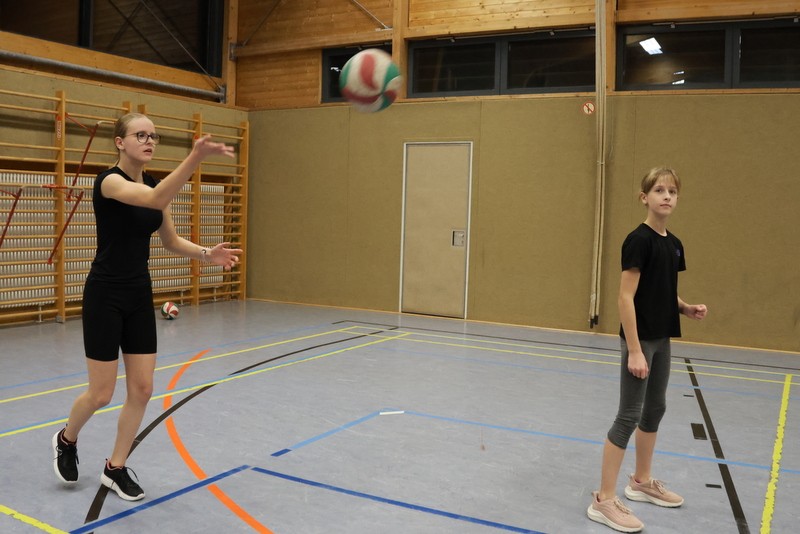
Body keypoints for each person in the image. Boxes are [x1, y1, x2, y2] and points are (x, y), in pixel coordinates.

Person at [52, 112, 242, 501]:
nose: (149, 141)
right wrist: (195, 157)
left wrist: (207, 253)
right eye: (140, 135)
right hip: (104, 294)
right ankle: (66, 438)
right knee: (101, 393)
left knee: (142, 388)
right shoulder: (109, 182)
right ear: (120, 142)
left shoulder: (154, 183)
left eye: (153, 136)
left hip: (138, 294)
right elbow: (154, 200)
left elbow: (170, 240)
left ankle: (115, 467)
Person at [587, 167, 707, 532]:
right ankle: (604, 499)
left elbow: (663, 289)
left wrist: (684, 308)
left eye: (672, 191)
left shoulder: (674, 244)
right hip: (639, 341)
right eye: (659, 190)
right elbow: (626, 298)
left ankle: (640, 481)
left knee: (655, 408)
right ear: (645, 198)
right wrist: (635, 350)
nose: (667, 196)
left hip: (662, 338)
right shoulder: (637, 240)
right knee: (628, 415)